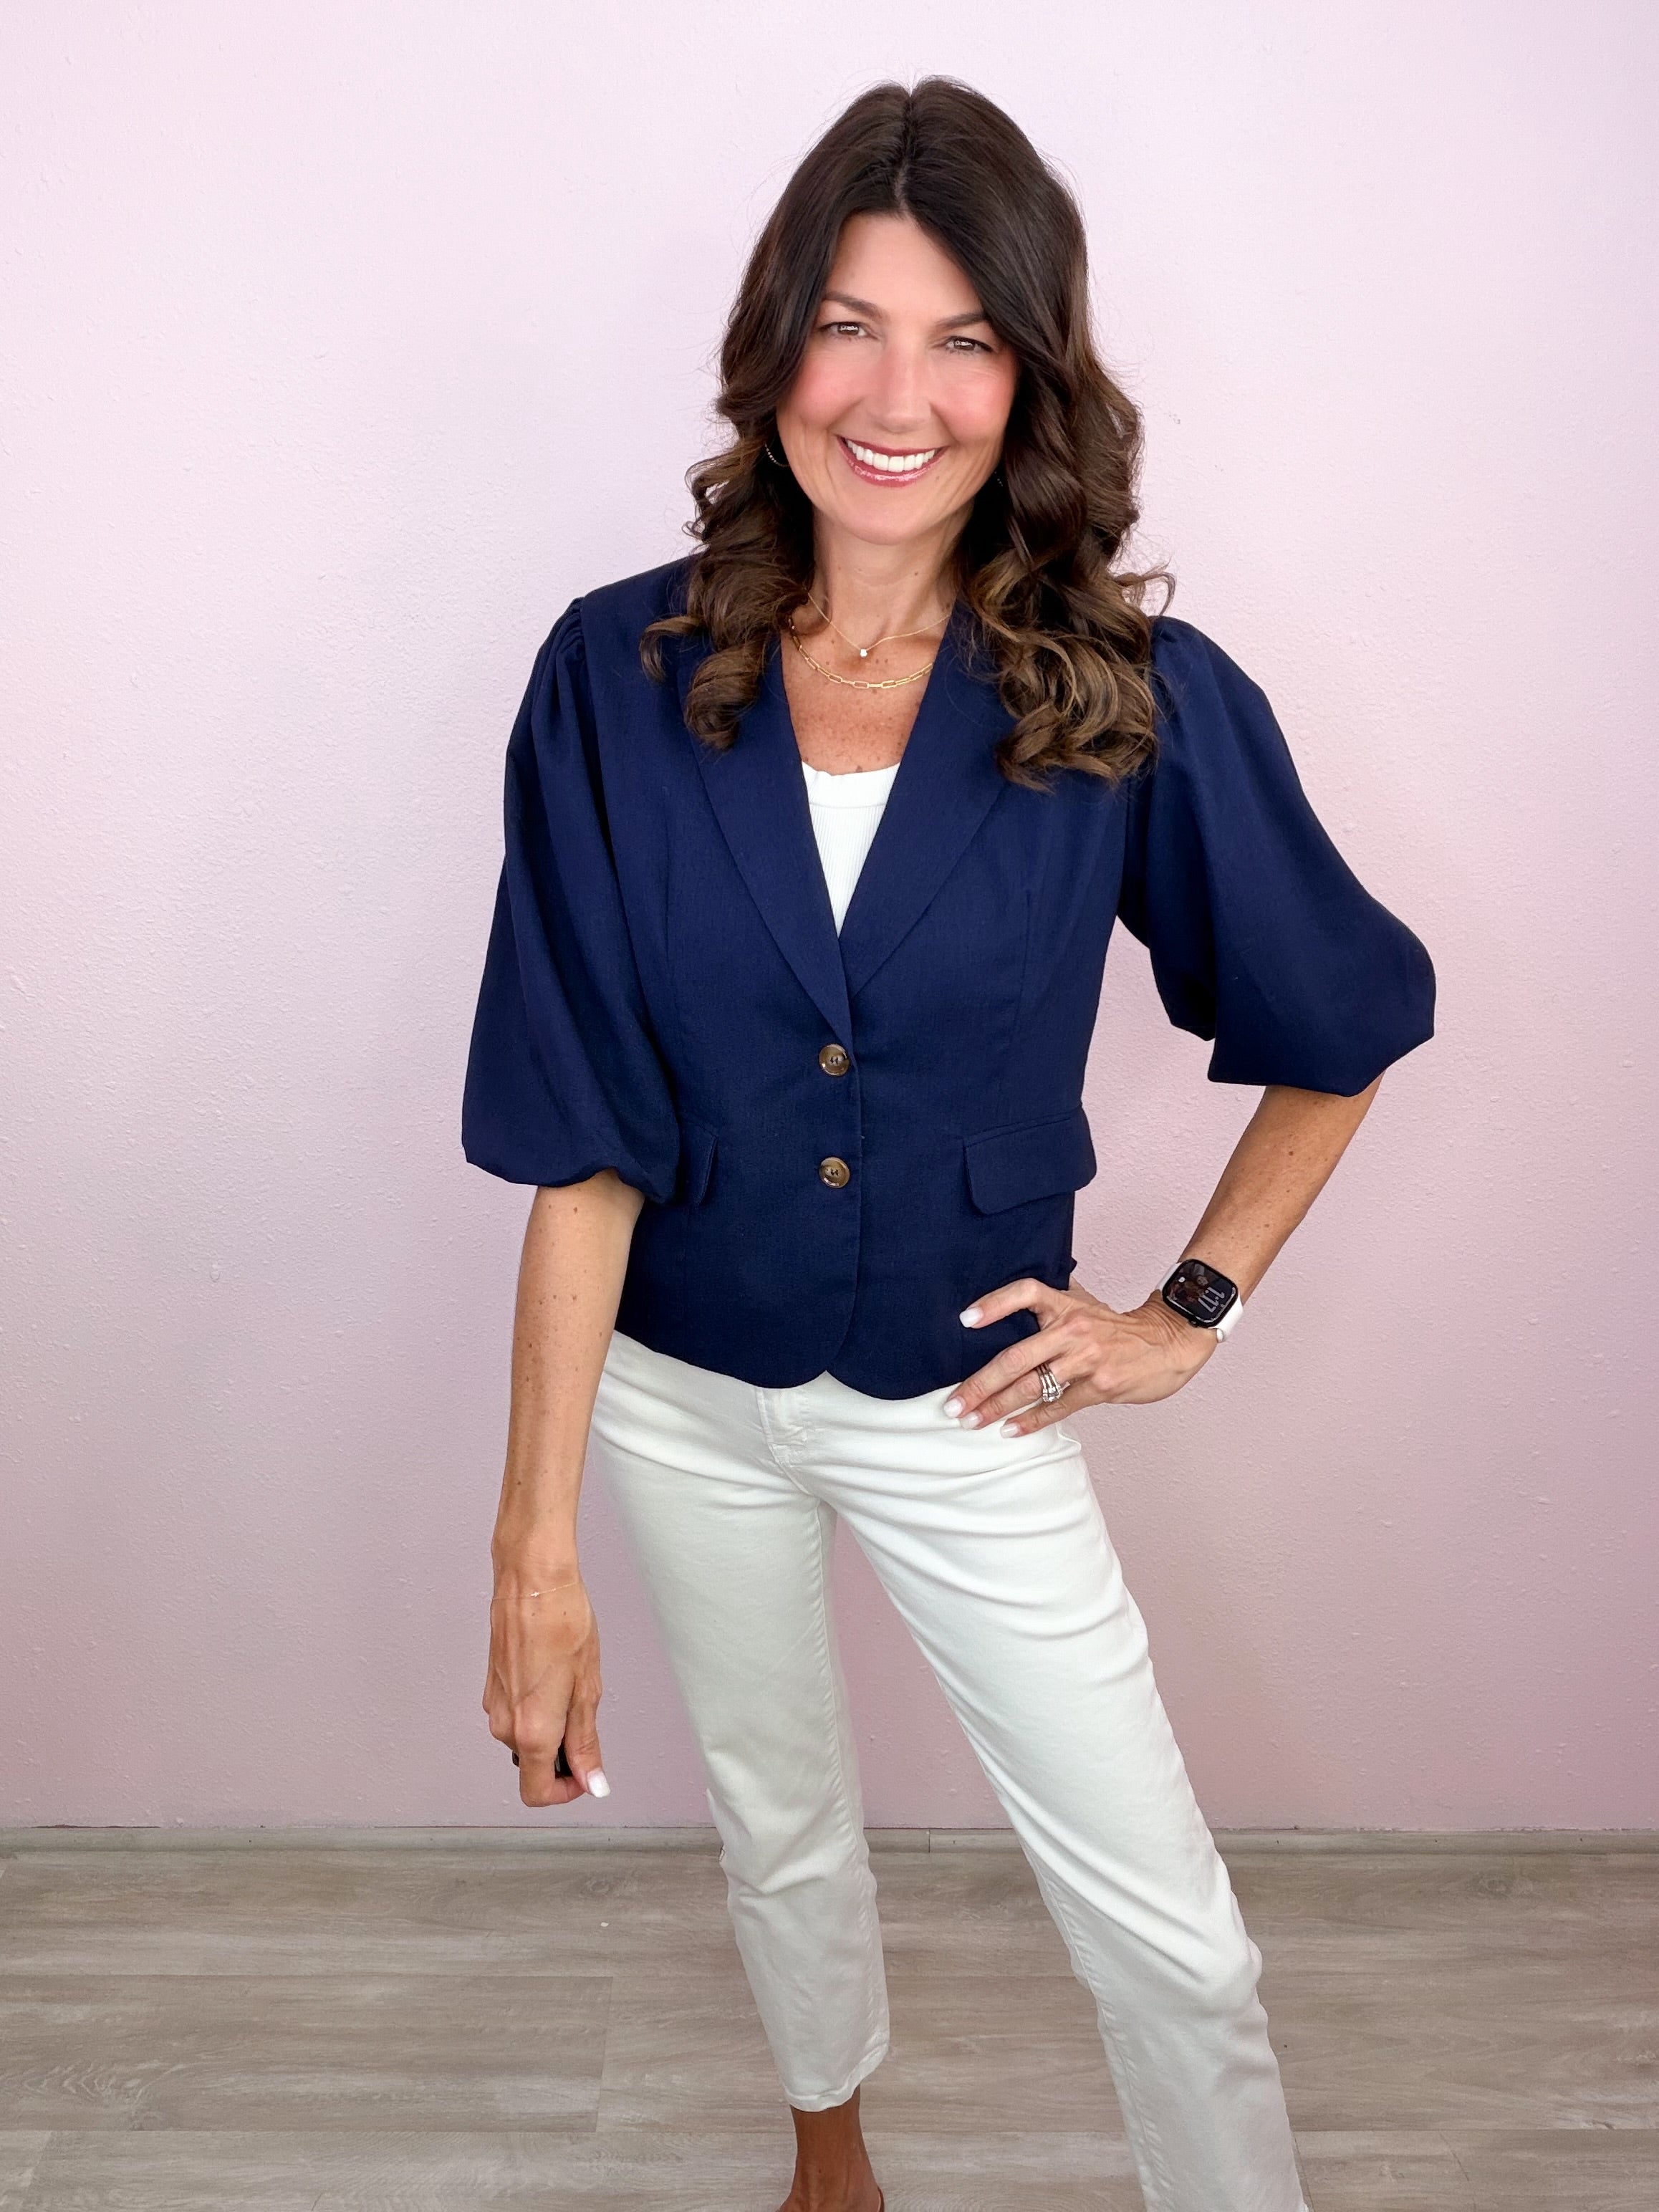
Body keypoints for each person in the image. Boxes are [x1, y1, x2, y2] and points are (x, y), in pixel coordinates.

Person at [462, 76, 1433, 2212]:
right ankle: (831, 2158)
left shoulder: (1128, 691)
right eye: (849, 325)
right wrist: (534, 1549)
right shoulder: (612, 676)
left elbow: (1344, 1020)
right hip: (676, 1388)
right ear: (774, 347)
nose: (895, 397)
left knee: (1172, 1939)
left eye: (963, 340)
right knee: (776, 1815)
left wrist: (1190, 1306)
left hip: (960, 1396)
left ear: (1029, 377)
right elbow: (578, 1136)